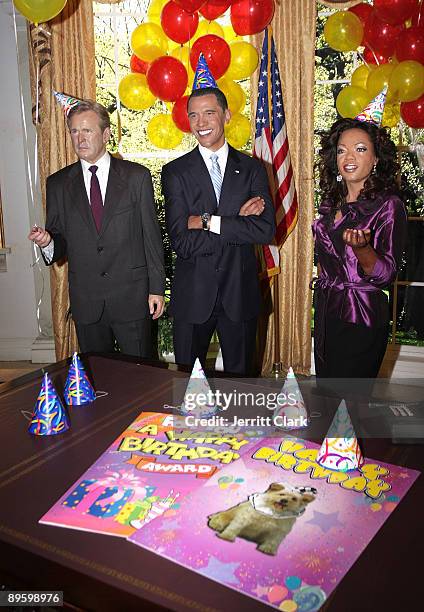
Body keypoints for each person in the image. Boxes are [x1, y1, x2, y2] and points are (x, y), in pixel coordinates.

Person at [28, 99, 165, 358]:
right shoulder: (58, 184)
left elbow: (151, 237)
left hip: (132, 297)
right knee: (98, 379)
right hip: (87, 301)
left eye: (87, 130)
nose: (80, 138)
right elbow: (59, 240)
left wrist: (156, 288)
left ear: (106, 134)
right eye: (74, 131)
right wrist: (47, 242)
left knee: (140, 376)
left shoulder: (137, 177)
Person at [162, 86, 276, 375]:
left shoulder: (253, 169)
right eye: (194, 116)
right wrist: (237, 222)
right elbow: (181, 242)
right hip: (193, 297)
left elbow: (263, 231)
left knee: (240, 387)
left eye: (209, 113)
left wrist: (206, 221)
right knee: (188, 387)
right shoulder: (175, 172)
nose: (201, 123)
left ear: (226, 115)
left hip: (240, 294)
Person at [312, 116, 407, 379]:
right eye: (342, 150)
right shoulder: (331, 204)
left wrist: (363, 248)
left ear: (376, 158)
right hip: (327, 311)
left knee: (351, 406)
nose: (349, 156)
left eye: (360, 148)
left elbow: (386, 275)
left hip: (361, 314)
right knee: (327, 396)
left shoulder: (388, 205)